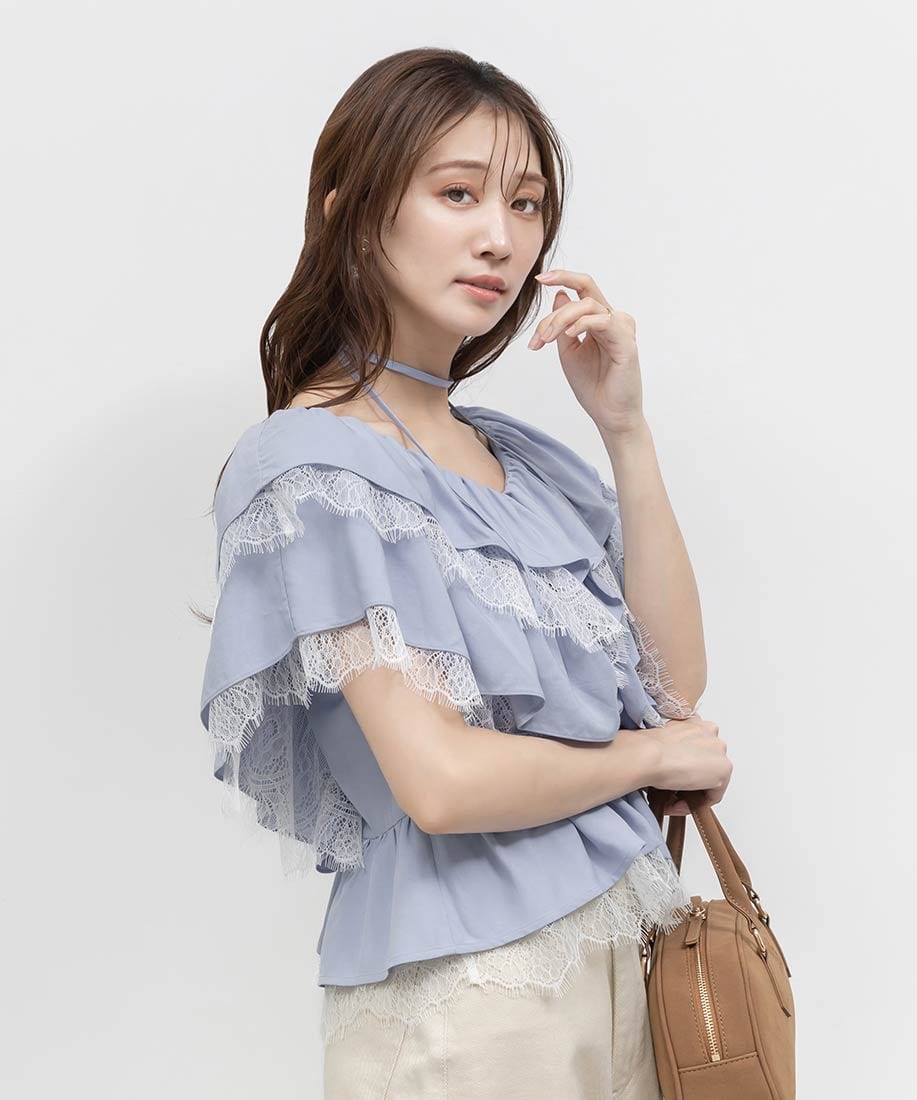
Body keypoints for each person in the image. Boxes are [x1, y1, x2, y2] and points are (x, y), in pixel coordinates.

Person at [196, 47, 732, 1099]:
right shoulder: (311, 467)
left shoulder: (524, 462)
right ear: (352, 212)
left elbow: (675, 687)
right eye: (457, 193)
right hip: (471, 1001)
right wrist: (645, 757)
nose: (501, 237)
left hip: (628, 965)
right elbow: (438, 783)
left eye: (526, 205)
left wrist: (623, 430)